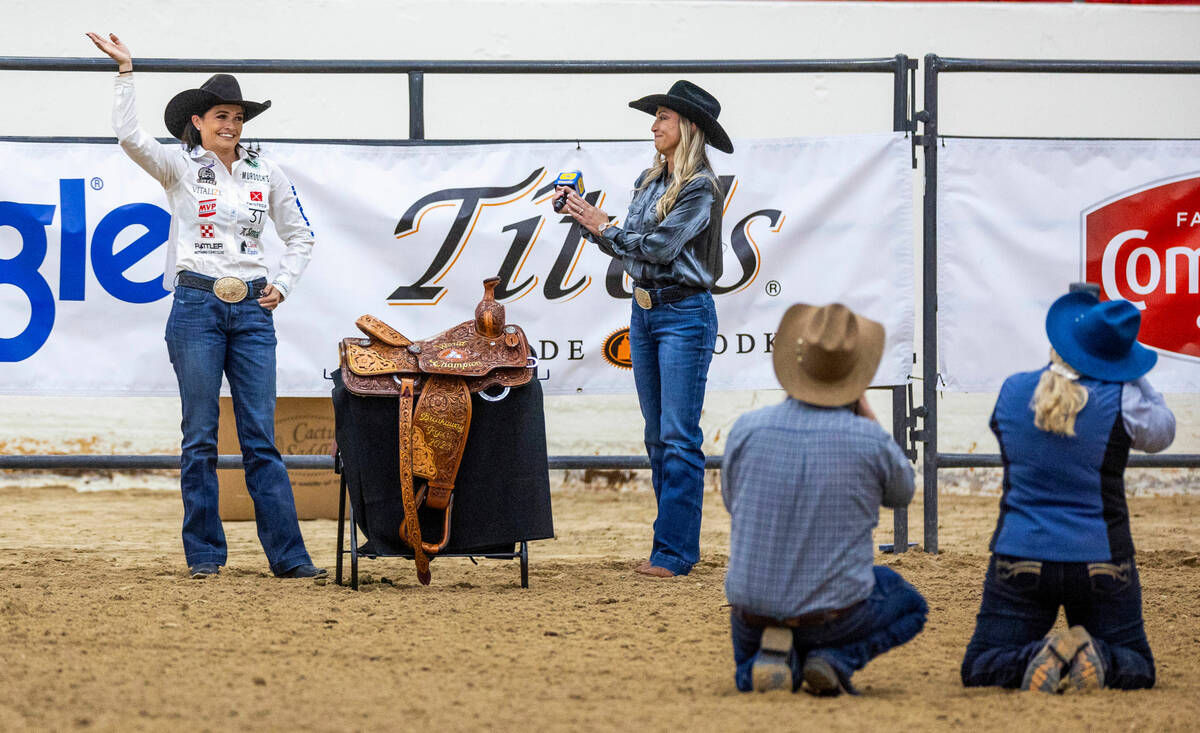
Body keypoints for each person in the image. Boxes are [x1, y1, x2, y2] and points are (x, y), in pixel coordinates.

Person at [86, 32, 325, 580]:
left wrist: (283, 286)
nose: (231, 126)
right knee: (199, 436)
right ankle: (205, 556)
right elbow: (129, 138)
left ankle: (289, 558)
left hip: (252, 311)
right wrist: (125, 74)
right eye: (221, 115)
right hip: (197, 303)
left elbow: (300, 236)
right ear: (198, 120)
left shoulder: (268, 172)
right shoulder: (179, 167)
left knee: (261, 436)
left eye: (238, 117)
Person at [961, 291, 1174, 692]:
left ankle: (1038, 656)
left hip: (1021, 554)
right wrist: (1130, 371)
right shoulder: (1126, 399)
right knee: (1137, 666)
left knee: (982, 665)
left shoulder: (1012, 389)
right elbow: (1163, 430)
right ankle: (1098, 658)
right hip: (1101, 558)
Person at [557, 80, 728, 578]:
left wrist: (600, 225)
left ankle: (673, 552)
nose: (654, 125)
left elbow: (656, 248)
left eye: (664, 118)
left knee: (675, 436)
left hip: (681, 313)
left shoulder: (701, 187)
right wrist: (589, 222)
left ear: (688, 128)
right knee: (660, 435)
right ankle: (670, 547)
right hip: (651, 311)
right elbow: (632, 246)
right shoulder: (652, 180)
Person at [722, 303, 926, 695]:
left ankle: (765, 662)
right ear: (855, 378)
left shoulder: (746, 429)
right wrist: (864, 410)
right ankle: (833, 659)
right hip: (833, 616)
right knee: (908, 602)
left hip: (751, 612)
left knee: (759, 628)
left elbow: (735, 503)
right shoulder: (869, 440)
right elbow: (903, 493)